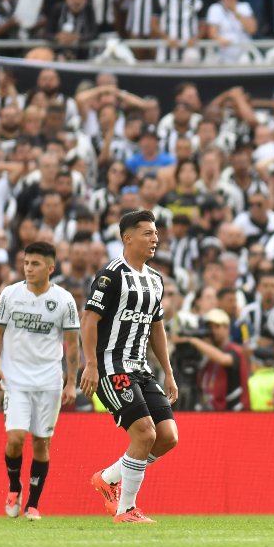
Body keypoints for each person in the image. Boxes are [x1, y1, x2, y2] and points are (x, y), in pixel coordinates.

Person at [81, 210, 179, 524]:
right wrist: (91, 365)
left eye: (155, 233)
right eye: (148, 233)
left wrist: (169, 371)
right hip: (112, 368)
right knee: (145, 433)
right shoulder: (111, 275)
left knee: (167, 436)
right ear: (128, 238)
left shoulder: (155, 279)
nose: (155, 239)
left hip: (141, 369)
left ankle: (108, 477)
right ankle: (126, 510)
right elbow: (89, 320)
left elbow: (157, 328)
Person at [0, 241, 80, 520]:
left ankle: (33, 504)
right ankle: (14, 487)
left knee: (41, 443)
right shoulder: (10, 294)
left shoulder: (64, 300)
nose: (28, 268)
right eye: (26, 263)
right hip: (15, 380)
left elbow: (72, 345)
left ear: (50, 268)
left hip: (49, 381)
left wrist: (70, 382)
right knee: (16, 439)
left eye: (35, 264)